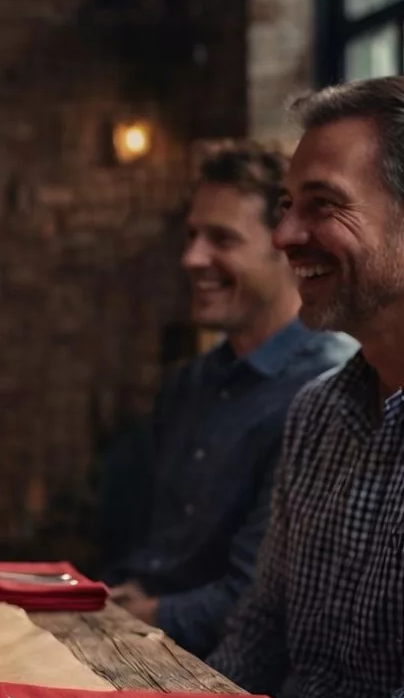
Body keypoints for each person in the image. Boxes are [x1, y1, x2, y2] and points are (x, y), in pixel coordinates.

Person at [207, 76, 404, 698]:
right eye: (289, 206)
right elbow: (260, 629)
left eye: (323, 205)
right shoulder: (316, 412)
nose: (285, 236)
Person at [98, 147, 354, 657]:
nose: (192, 258)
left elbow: (263, 600)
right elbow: (152, 549)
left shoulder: (324, 390)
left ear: (286, 249)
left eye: (222, 239)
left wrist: (133, 616)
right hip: (138, 635)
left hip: (210, 664)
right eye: (192, 235)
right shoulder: (190, 383)